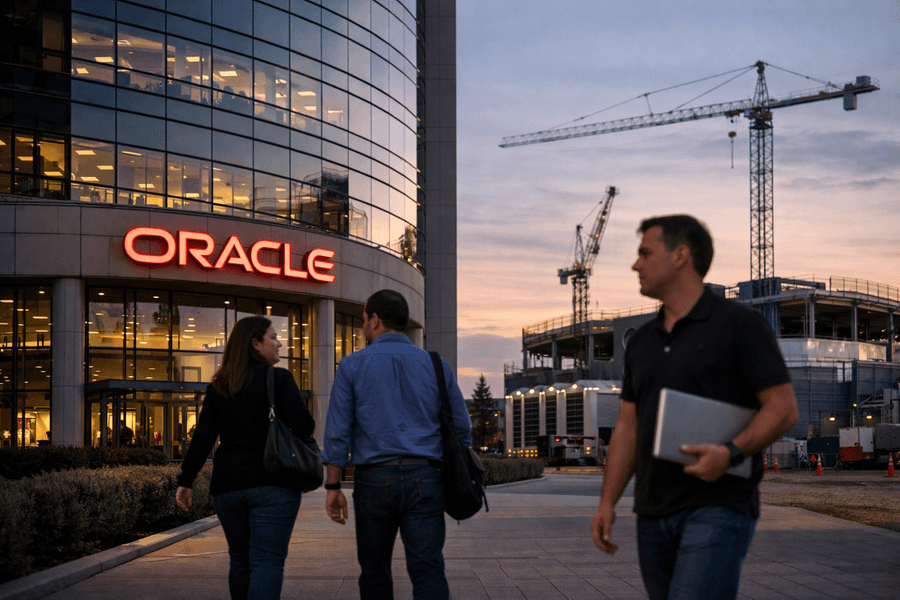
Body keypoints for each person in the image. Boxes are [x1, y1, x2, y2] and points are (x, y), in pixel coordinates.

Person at [591, 215, 799, 600]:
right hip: (652, 512)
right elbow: (628, 428)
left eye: (645, 253)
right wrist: (607, 502)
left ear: (680, 255)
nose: (635, 265)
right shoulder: (641, 343)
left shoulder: (741, 326)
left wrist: (730, 452)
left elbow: (783, 408)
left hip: (718, 506)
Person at [322, 289, 471, 600]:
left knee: (375, 572)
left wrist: (332, 487)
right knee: (428, 569)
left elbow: (338, 432)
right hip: (426, 477)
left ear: (376, 320)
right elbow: (462, 426)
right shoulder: (435, 364)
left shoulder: (351, 365)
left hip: (374, 480)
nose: (364, 327)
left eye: (364, 320)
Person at [175, 316, 314, 600]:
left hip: (227, 488)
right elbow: (304, 427)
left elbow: (203, 438)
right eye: (273, 337)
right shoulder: (279, 378)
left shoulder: (219, 387)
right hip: (273, 484)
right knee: (267, 562)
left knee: (240, 561)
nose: (279, 343)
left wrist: (186, 480)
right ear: (255, 343)